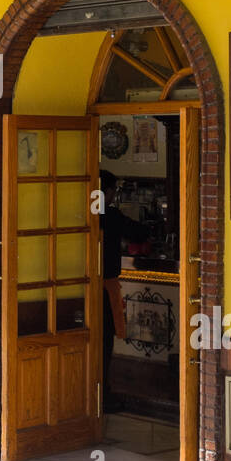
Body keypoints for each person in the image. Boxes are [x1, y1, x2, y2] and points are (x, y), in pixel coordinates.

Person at [98, 170, 150, 404]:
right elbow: (139, 232)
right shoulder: (110, 215)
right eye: (112, 191)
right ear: (106, 192)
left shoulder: (79, 213)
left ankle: (92, 394)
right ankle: (102, 395)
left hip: (81, 288)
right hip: (104, 288)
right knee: (104, 341)